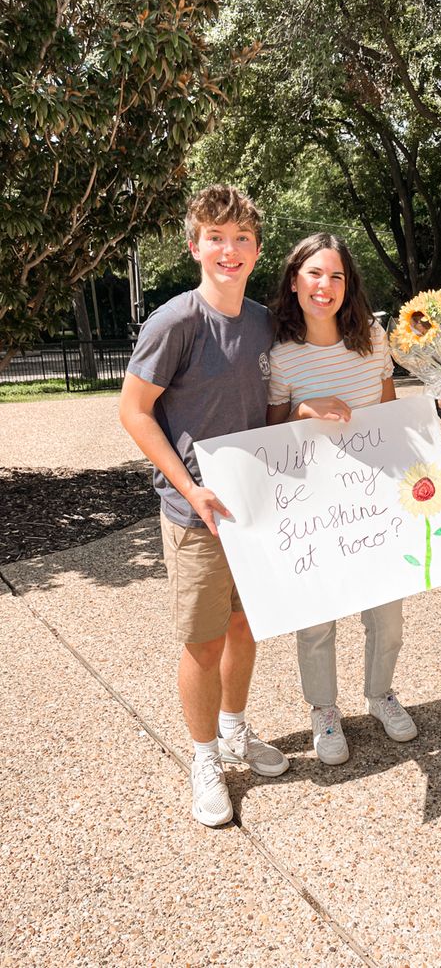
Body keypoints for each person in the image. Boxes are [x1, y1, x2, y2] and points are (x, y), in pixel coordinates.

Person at [119, 185, 289, 828]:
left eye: (241, 238)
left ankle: (236, 730)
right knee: (202, 642)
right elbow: (133, 412)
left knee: (245, 628)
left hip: (254, 507)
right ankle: (204, 759)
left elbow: (281, 399)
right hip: (197, 514)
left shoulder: (266, 322)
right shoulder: (175, 323)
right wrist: (188, 488)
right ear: (195, 246)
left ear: (256, 250)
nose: (229, 249)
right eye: (216, 237)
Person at [266, 232, 441, 765]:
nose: (325, 286)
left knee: (387, 612)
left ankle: (380, 694)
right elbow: (267, 433)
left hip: (374, 494)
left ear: (347, 284)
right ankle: (324, 711)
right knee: (317, 618)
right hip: (314, 503)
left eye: (336, 276)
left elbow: (387, 418)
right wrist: (304, 410)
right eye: (314, 274)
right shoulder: (281, 355)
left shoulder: (372, 339)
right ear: (294, 281)